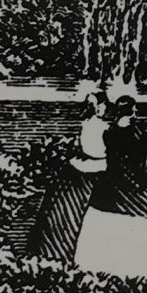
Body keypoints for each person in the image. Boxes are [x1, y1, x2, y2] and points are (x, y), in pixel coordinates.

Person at [72, 98, 147, 280]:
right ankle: (137, 276)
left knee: (102, 228)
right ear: (133, 111)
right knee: (136, 232)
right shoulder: (138, 132)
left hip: (110, 188)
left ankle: (95, 273)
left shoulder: (110, 132)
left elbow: (112, 161)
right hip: (135, 192)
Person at [27, 89, 108, 263]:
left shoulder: (86, 123)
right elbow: (98, 152)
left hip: (78, 170)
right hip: (92, 172)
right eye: (103, 105)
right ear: (99, 107)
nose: (104, 109)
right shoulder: (101, 127)